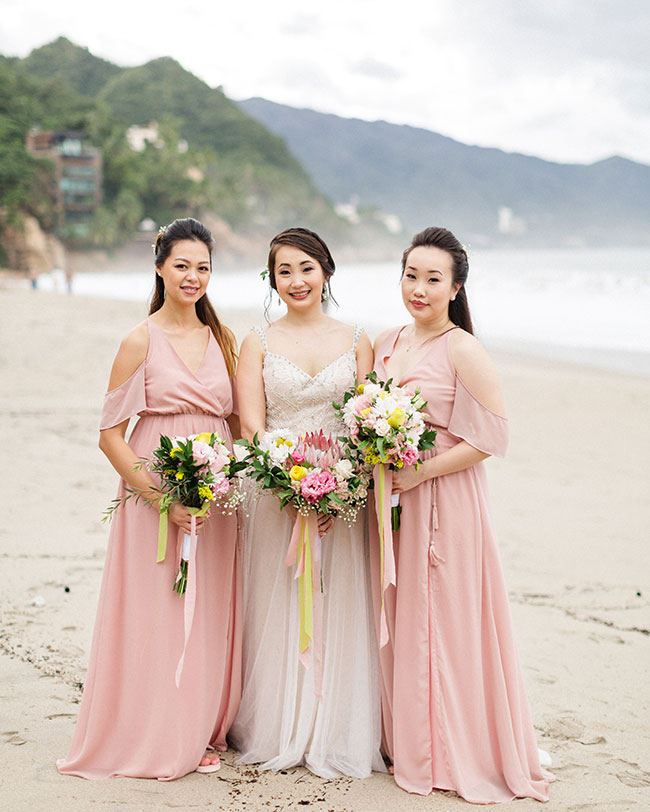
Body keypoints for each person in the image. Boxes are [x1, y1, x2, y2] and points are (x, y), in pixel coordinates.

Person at [370, 226, 554, 803]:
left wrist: (420, 473)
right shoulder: (386, 342)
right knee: (399, 618)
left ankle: (451, 750)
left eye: (432, 279)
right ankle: (406, 739)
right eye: (411, 276)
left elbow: (490, 440)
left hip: (445, 498)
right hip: (390, 498)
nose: (418, 289)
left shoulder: (463, 348)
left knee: (443, 622)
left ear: (454, 288)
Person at [57, 218, 241, 780]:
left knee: (210, 609)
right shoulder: (140, 339)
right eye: (182, 265)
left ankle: (203, 724)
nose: (193, 276)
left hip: (216, 498)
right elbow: (110, 434)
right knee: (158, 610)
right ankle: (160, 729)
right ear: (160, 266)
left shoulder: (223, 339)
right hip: (154, 495)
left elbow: (236, 419)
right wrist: (165, 498)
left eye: (203, 267)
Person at [229, 227, 384, 778]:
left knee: (338, 599)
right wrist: (289, 484)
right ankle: (275, 724)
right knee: (278, 603)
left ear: (326, 271)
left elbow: (367, 422)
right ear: (272, 280)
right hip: (276, 492)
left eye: (306, 268)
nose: (296, 281)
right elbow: (251, 426)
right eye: (283, 272)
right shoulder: (258, 342)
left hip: (343, 491)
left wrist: (339, 484)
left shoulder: (359, 338)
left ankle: (335, 725)